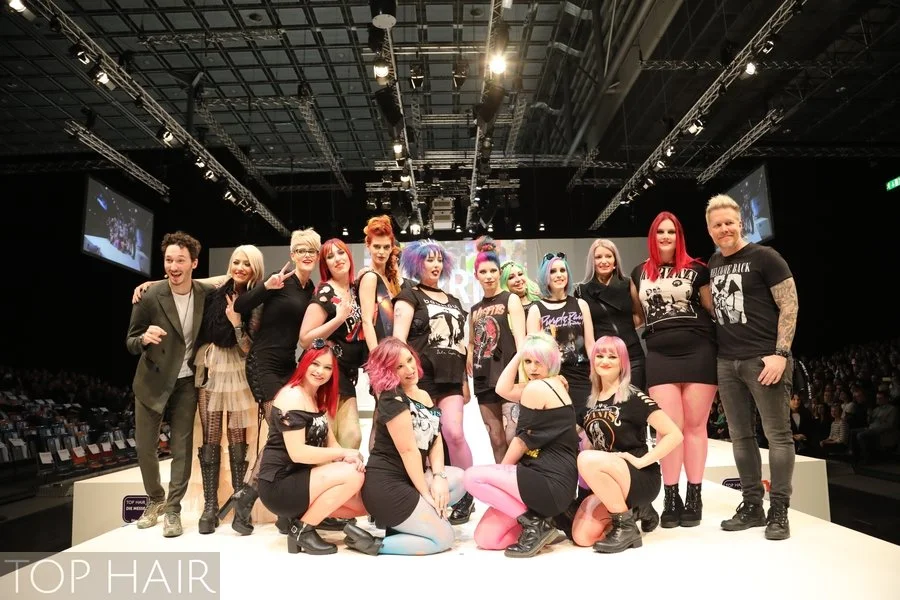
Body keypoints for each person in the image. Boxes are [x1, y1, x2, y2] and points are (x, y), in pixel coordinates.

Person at [706, 194, 799, 541]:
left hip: (765, 359)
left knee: (777, 436)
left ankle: (780, 510)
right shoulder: (714, 262)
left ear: (740, 222)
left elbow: (789, 305)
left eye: (729, 222)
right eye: (717, 225)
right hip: (727, 361)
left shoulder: (766, 257)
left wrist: (781, 353)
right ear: (710, 230)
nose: (724, 229)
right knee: (740, 437)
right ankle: (752, 505)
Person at [220, 228, 321, 535]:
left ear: (316, 257)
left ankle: (261, 502)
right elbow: (240, 306)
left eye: (311, 251)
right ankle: (259, 502)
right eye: (300, 250)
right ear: (292, 254)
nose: (306, 256)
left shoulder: (310, 288)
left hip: (288, 364)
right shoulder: (281, 280)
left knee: (288, 434)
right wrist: (267, 285)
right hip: (262, 363)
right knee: (285, 431)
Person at [630, 211, 718, 528]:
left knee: (695, 427)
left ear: (679, 236)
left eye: (671, 232)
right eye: (660, 232)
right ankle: (670, 497)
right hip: (660, 355)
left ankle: (694, 496)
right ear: (652, 237)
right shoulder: (639, 272)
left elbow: (712, 309)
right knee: (669, 430)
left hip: (699, 352)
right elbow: (637, 318)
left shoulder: (698, 270)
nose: (665, 237)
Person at [126, 231, 214, 538]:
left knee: (181, 448)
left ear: (194, 263)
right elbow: (130, 340)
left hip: (187, 382)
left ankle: (173, 510)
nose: (173, 266)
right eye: (168, 260)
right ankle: (156, 500)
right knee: (145, 448)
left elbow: (228, 276)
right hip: (151, 380)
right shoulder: (150, 295)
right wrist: (143, 339)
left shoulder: (204, 293)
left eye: (180, 260)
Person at [343, 337, 466, 556]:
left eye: (409, 360)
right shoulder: (392, 400)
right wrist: (426, 495)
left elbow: (435, 438)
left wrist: (438, 476)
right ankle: (373, 544)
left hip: (409, 479)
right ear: (387, 372)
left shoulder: (423, 395)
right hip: (386, 486)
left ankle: (405, 525)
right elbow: (408, 451)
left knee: (458, 479)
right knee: (444, 538)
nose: (409, 369)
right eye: (398, 366)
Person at [465, 332, 579, 558]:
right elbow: (501, 389)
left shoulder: (538, 389)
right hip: (545, 481)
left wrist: (501, 473)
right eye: (529, 361)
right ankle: (542, 521)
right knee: (487, 538)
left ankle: (536, 525)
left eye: (540, 362)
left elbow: (521, 441)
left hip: (549, 482)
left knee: (471, 477)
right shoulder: (542, 385)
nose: (533, 368)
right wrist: (521, 352)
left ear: (552, 363)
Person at [571, 336, 683, 553]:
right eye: (600, 356)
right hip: (608, 480)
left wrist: (643, 461)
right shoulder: (588, 401)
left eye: (612, 356)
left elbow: (674, 434)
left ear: (622, 362)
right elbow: (569, 435)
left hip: (638, 477)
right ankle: (637, 510)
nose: (605, 361)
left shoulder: (633, 397)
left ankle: (626, 527)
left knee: (586, 458)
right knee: (583, 537)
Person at [257, 340, 367, 555]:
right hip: (279, 485)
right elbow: (298, 453)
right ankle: (302, 530)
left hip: (302, 481)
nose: (320, 372)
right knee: (353, 477)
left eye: (327, 368)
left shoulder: (316, 397)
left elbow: (331, 442)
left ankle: (308, 519)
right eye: (315, 364)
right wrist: (345, 453)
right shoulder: (292, 395)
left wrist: (348, 459)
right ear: (304, 363)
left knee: (361, 504)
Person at [393, 239, 475, 524]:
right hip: (421, 378)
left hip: (452, 377)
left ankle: (467, 494)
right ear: (417, 263)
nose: (435, 264)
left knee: (454, 434)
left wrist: (465, 380)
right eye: (429, 259)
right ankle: (426, 494)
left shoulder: (454, 301)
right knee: (424, 441)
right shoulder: (408, 296)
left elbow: (461, 344)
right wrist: (402, 379)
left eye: (439, 259)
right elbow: (398, 341)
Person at [193, 245, 265, 534]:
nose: (240, 267)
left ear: (255, 268)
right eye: (236, 261)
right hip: (211, 364)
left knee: (237, 435)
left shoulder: (256, 299)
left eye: (246, 263)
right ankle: (210, 507)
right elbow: (192, 280)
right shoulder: (215, 291)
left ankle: (239, 504)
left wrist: (236, 323)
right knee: (210, 435)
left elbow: (249, 345)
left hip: (238, 365)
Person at [300, 238, 366, 451]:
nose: (337, 259)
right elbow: (305, 339)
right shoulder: (326, 292)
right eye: (330, 256)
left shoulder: (356, 290)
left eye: (341, 253)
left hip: (347, 373)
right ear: (325, 265)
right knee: (329, 438)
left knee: (352, 437)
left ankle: (346, 479)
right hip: (327, 372)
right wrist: (337, 319)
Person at [468, 237, 526, 463]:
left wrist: (522, 374)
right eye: (483, 272)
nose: (489, 276)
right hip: (483, 379)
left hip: (508, 375)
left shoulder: (511, 299)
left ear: (499, 272)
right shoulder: (474, 309)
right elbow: (473, 343)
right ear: (476, 275)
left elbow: (522, 342)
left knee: (513, 437)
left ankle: (517, 487)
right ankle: (500, 489)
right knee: (496, 438)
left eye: (493, 270)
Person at [526, 252, 595, 425]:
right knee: (562, 427)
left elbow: (590, 344)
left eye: (562, 270)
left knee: (584, 426)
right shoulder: (536, 309)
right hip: (553, 377)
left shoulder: (580, 304)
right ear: (545, 276)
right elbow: (533, 350)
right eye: (553, 271)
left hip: (582, 376)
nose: (559, 275)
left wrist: (597, 374)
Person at [576, 239, 645, 390]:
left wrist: (623, 329)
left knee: (635, 405)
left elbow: (640, 317)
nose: (604, 261)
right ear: (592, 262)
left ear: (615, 260)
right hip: (602, 359)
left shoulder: (628, 284)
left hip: (632, 355)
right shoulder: (581, 291)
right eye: (598, 257)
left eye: (608, 256)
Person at [499, 260, 542, 444]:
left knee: (538, 424)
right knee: (513, 429)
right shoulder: (503, 307)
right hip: (514, 370)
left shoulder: (540, 303)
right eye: (511, 277)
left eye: (520, 274)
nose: (517, 279)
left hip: (539, 369)